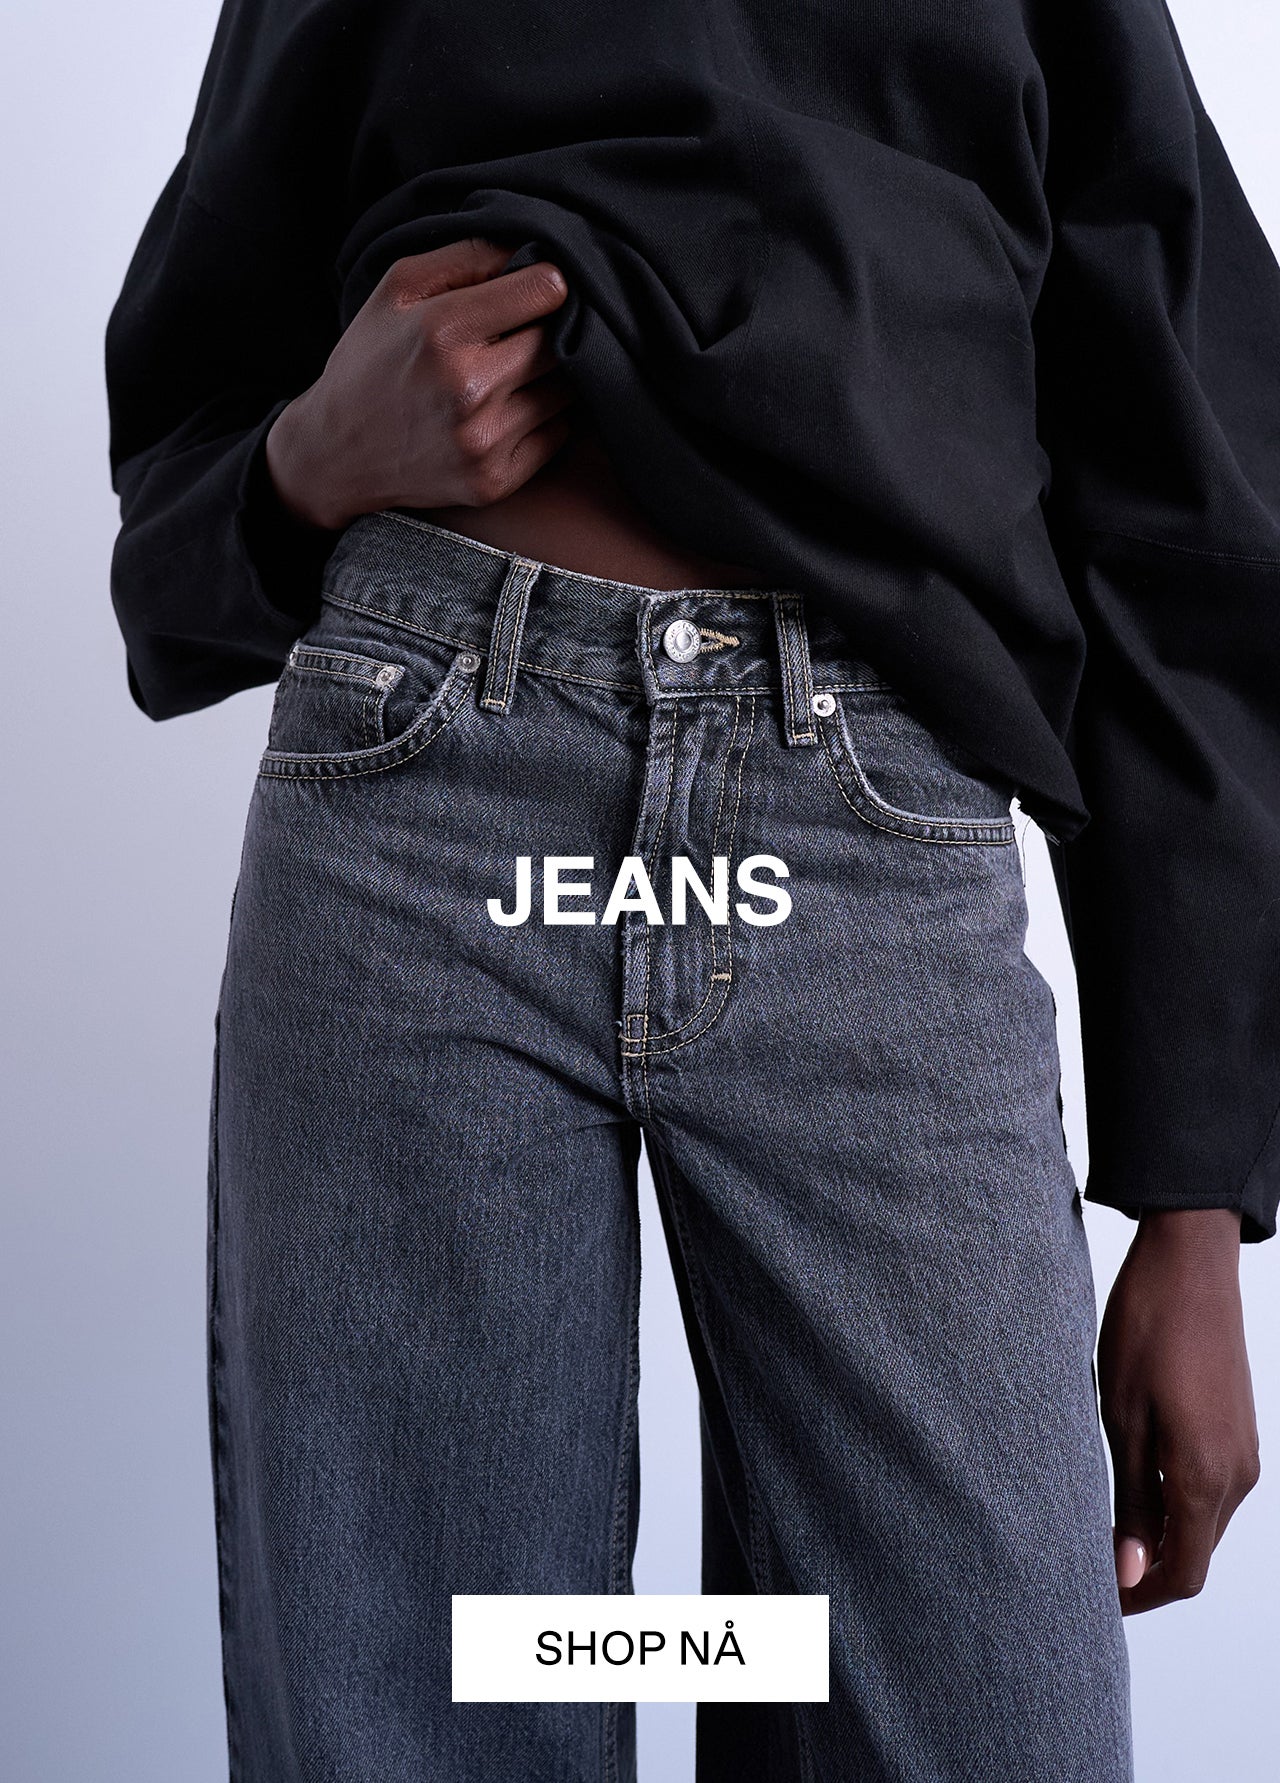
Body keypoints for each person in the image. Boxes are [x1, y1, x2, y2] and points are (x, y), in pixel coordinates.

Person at [104, 2, 1274, 1779]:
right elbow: (186, 440)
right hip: (431, 796)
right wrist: (299, 468)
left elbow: (1185, 496)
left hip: (870, 823)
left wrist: (1194, 1206)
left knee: (982, 1711)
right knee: (434, 1710)